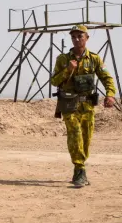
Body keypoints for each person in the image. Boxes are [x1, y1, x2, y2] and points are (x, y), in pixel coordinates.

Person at [49, 24, 116, 187]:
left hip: (87, 105)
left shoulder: (94, 58)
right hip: (69, 104)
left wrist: (110, 94)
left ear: (87, 38)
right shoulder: (63, 59)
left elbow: (106, 77)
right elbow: (54, 81)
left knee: (86, 139)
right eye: (74, 36)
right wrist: (68, 70)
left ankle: (80, 169)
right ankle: (80, 168)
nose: (77, 39)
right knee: (75, 134)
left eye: (80, 36)